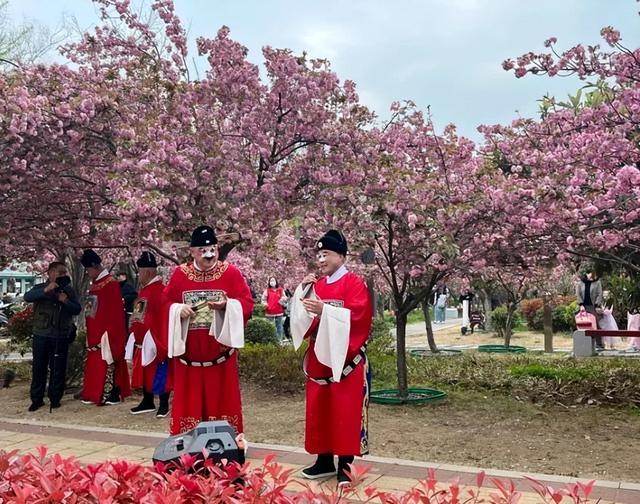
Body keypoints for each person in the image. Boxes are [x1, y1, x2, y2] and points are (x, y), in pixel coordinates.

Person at [289, 229, 373, 486]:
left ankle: (345, 464)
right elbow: (305, 321)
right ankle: (323, 459)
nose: (321, 260)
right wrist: (302, 292)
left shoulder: (355, 284)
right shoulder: (318, 285)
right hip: (319, 359)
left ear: (342, 256)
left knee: (344, 411)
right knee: (320, 410)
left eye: (326, 254)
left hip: (346, 360)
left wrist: (325, 309)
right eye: (319, 254)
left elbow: (358, 318)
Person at [163, 225, 254, 435]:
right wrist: (177, 309)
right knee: (189, 409)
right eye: (203, 251)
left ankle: (226, 447)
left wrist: (227, 306)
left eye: (213, 248)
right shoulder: (179, 275)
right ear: (192, 251)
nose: (209, 255)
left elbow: (247, 303)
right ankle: (187, 449)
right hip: (189, 361)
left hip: (220, 360)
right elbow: (164, 304)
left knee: (222, 406)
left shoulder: (231, 273)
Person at [23, 261, 81, 411]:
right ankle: (36, 399)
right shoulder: (40, 288)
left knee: (58, 368)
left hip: (60, 335)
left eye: (64, 273)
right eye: (59, 272)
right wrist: (45, 291)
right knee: (39, 367)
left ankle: (55, 398)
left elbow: (77, 309)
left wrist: (65, 300)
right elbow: (27, 297)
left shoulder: (68, 290)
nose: (62, 275)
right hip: (41, 334)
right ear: (50, 272)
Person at [80, 249, 131, 406]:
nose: (88, 273)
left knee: (109, 362)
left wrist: (111, 334)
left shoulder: (111, 284)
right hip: (95, 331)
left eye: (88, 270)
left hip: (106, 332)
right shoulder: (95, 285)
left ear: (95, 267)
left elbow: (116, 313)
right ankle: (93, 392)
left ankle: (112, 393)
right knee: (96, 363)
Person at [127, 252, 171, 417]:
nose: (139, 275)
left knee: (160, 372)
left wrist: (159, 339)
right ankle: (147, 400)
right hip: (142, 339)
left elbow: (164, 316)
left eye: (140, 271)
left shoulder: (161, 290)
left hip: (156, 339)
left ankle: (164, 403)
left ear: (147, 271)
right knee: (146, 371)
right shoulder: (145, 290)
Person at [576, 269, 604, 350]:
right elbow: (578, 294)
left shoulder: (597, 283)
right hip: (583, 307)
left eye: (591, 273)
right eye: (588, 273)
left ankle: (599, 344)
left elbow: (599, 294)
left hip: (593, 306)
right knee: (583, 324)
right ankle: (583, 343)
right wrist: (581, 304)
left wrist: (597, 304)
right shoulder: (580, 283)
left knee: (596, 325)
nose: (589, 275)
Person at [261, 277, 287, 342]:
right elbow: (263, 300)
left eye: (273, 280)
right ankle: (271, 340)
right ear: (269, 282)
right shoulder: (267, 291)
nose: (272, 282)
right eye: (271, 281)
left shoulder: (280, 290)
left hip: (279, 311)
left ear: (276, 281)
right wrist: (266, 305)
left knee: (279, 326)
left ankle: (279, 340)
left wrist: (281, 301)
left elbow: (284, 297)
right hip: (269, 312)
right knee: (270, 326)